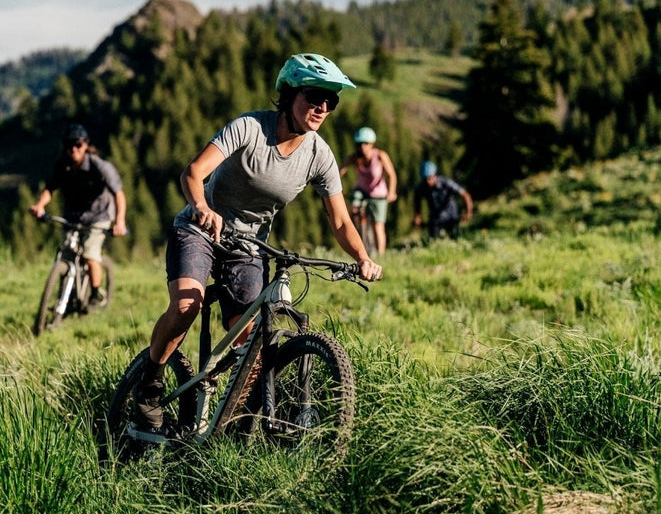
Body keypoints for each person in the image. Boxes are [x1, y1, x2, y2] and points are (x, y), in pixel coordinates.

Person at [131, 53, 382, 433]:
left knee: (250, 340)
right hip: (200, 230)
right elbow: (193, 173)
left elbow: (341, 220)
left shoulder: (319, 155)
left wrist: (363, 256)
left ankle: (232, 424)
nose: (322, 107)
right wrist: (201, 207)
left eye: (331, 101)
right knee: (186, 306)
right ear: (289, 94)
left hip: (249, 248)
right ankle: (149, 384)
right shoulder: (249, 128)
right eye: (314, 96)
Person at [28, 123, 128, 305]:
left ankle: (95, 294)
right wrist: (39, 206)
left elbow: (119, 194)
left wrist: (120, 222)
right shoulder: (62, 165)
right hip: (73, 216)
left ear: (86, 145)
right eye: (69, 145)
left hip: (99, 215)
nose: (73, 149)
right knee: (65, 253)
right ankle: (65, 296)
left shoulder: (99, 166)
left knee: (90, 254)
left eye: (78, 144)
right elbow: (49, 189)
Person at [340, 126, 399, 255]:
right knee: (352, 210)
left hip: (378, 194)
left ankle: (381, 255)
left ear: (372, 144)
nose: (362, 147)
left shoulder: (380, 156)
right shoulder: (354, 158)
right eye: (360, 144)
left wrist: (391, 192)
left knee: (378, 225)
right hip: (361, 191)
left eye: (366, 143)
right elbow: (340, 172)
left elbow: (392, 175)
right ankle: (356, 235)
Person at [411, 161, 473, 240]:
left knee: (456, 239)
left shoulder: (446, 183)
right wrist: (417, 216)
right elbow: (417, 201)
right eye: (425, 179)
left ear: (435, 175)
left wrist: (468, 212)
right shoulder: (421, 187)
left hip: (451, 216)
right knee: (433, 241)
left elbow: (465, 195)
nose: (427, 181)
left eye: (429, 178)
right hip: (435, 219)